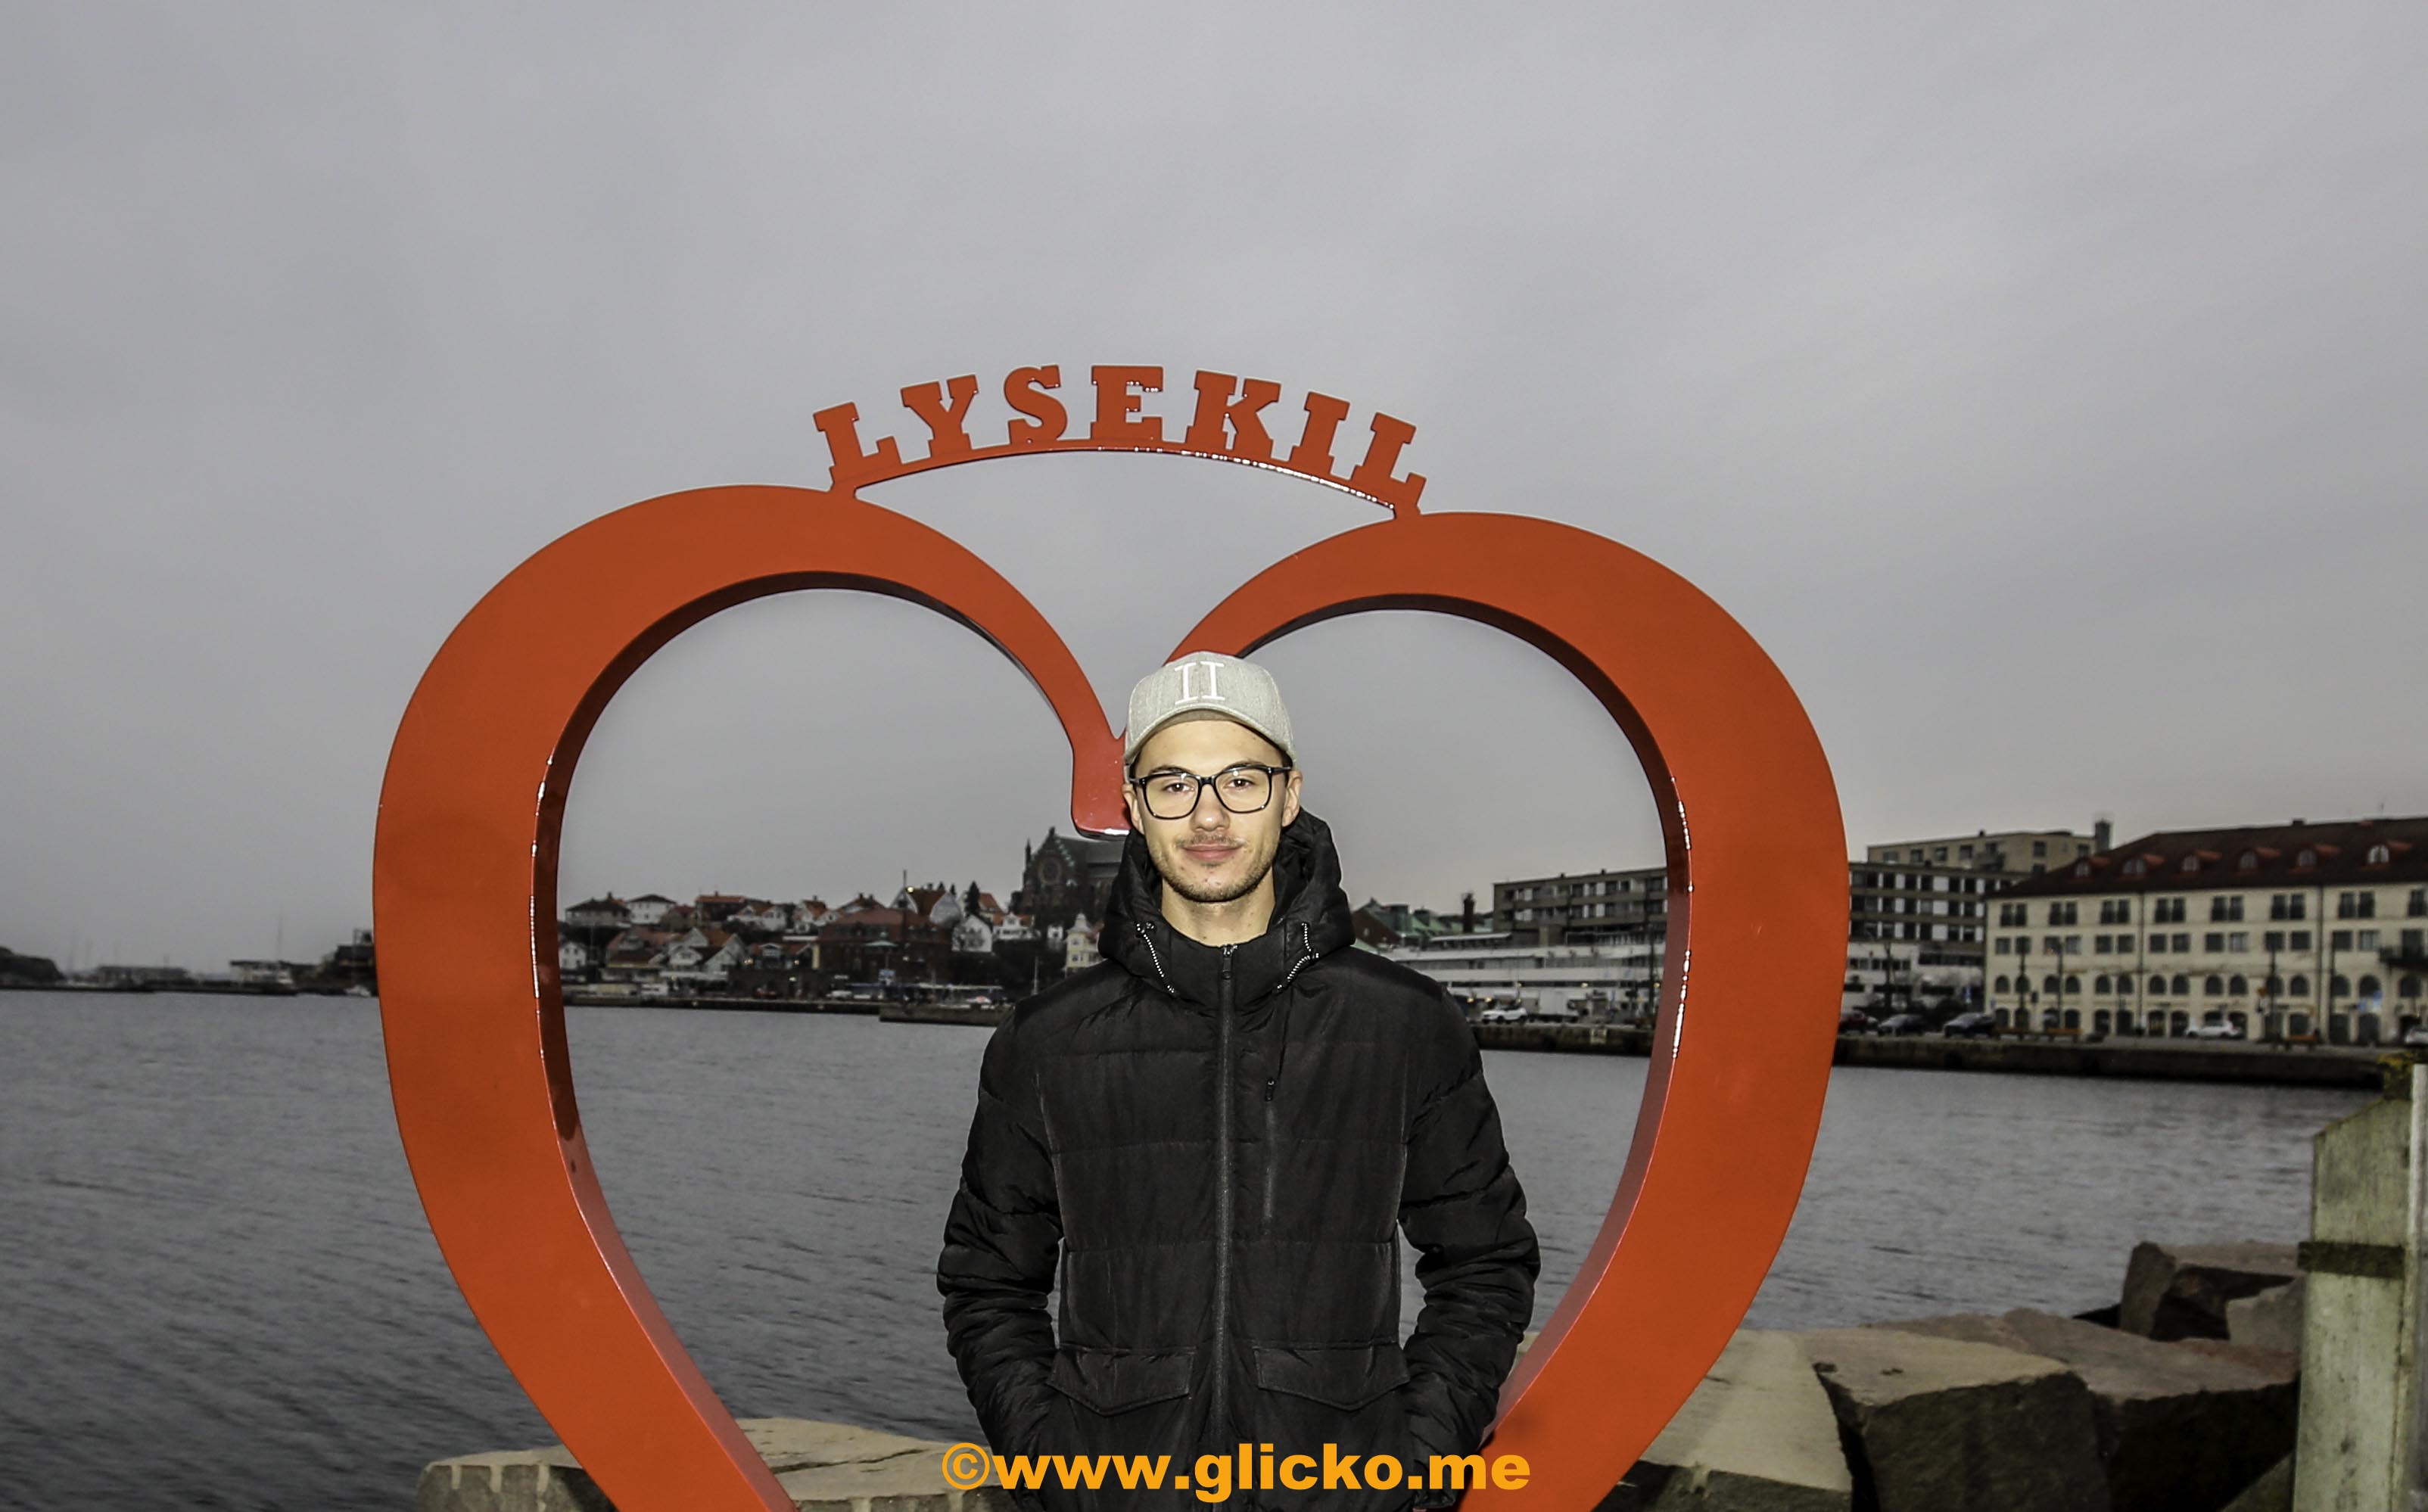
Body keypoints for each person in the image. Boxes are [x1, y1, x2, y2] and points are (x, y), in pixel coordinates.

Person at [937, 651, 1539, 1510]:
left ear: (1290, 796)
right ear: (1133, 805)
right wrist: (1049, 1460)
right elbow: (988, 1280)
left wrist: (1415, 1460)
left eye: (1241, 780)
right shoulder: (1046, 1039)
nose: (1209, 814)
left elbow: (1485, 1262)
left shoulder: (1406, 1024)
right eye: (1174, 784)